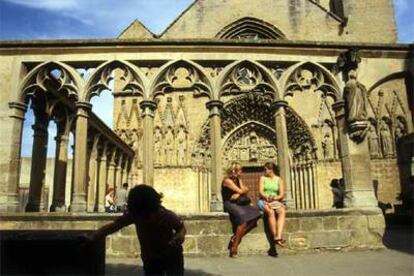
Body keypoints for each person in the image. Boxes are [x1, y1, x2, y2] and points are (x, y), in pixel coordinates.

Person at [89, 184, 186, 275]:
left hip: (171, 255)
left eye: (150, 214)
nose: (148, 218)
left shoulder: (166, 215)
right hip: (151, 257)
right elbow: (114, 226)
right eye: (144, 215)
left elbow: (181, 228)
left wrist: (179, 236)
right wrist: (94, 236)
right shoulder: (136, 215)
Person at [221, 162, 261, 258]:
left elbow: (245, 190)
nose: (241, 172)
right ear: (234, 170)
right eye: (240, 170)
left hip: (239, 202)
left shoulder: (238, 179)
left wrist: (240, 193)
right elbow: (242, 190)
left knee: (257, 215)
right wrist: (241, 192)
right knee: (243, 220)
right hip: (229, 203)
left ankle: (235, 238)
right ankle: (234, 247)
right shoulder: (227, 180)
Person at [257, 162, 286, 255]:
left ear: (271, 170)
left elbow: (281, 194)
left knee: (282, 211)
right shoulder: (263, 178)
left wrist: (274, 198)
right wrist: (267, 198)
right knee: (270, 212)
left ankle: (279, 235)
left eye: (266, 169)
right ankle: (275, 237)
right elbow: (261, 191)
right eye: (264, 169)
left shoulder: (279, 180)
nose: (264, 171)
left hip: (275, 200)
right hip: (263, 200)